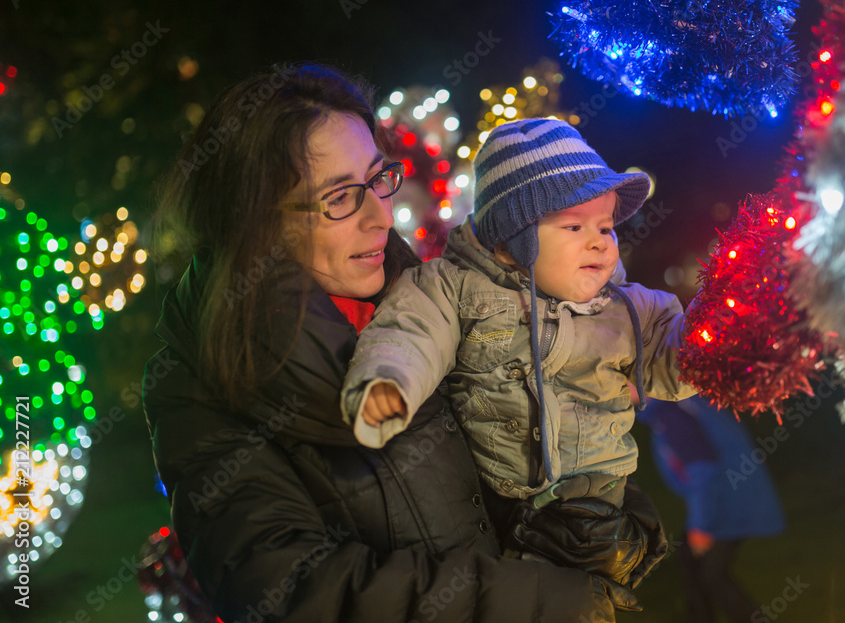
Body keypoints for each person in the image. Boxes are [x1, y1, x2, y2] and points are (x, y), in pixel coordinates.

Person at [142, 63, 650, 622]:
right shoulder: (198, 382)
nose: (382, 217)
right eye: (340, 197)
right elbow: (291, 592)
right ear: (256, 220)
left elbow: (517, 440)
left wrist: (602, 519)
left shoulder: (434, 303)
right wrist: (536, 599)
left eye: (378, 179)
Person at [340, 117, 694, 591]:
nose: (599, 241)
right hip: (499, 505)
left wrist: (717, 335)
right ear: (513, 240)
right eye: (574, 226)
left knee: (577, 601)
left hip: (598, 501)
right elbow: (411, 331)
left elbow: (677, 365)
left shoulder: (628, 308)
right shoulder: (454, 288)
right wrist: (389, 381)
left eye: (606, 227)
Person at [638, 395, 786, 623]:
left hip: (727, 503)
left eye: (627, 379)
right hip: (725, 499)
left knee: (712, 576)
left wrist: (700, 526)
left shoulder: (671, 413)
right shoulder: (669, 408)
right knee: (691, 563)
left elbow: (703, 470)